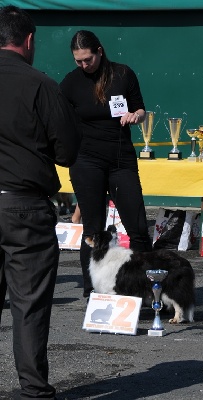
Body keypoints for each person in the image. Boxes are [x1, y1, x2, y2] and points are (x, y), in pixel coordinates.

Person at [0, 5, 80, 399]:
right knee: (28, 304)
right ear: (28, 40)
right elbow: (67, 150)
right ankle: (33, 391)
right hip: (23, 203)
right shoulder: (40, 84)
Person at [60, 30, 152, 298]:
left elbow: (141, 109)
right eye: (78, 61)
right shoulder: (70, 83)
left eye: (87, 59)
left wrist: (136, 115)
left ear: (99, 51)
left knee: (137, 226)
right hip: (86, 160)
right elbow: (60, 120)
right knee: (93, 228)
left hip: (121, 159)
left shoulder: (123, 74)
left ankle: (146, 288)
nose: (83, 65)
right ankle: (94, 291)